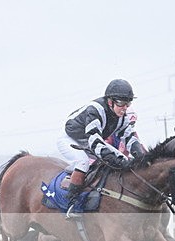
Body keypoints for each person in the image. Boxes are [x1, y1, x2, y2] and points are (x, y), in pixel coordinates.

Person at [57, 79, 148, 215]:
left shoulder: (122, 116)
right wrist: (116, 161)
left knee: (122, 157)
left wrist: (142, 158)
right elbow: (95, 141)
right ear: (110, 101)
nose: (125, 108)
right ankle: (71, 204)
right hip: (70, 139)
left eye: (128, 103)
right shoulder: (96, 110)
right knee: (83, 162)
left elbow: (129, 138)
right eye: (121, 103)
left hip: (89, 139)